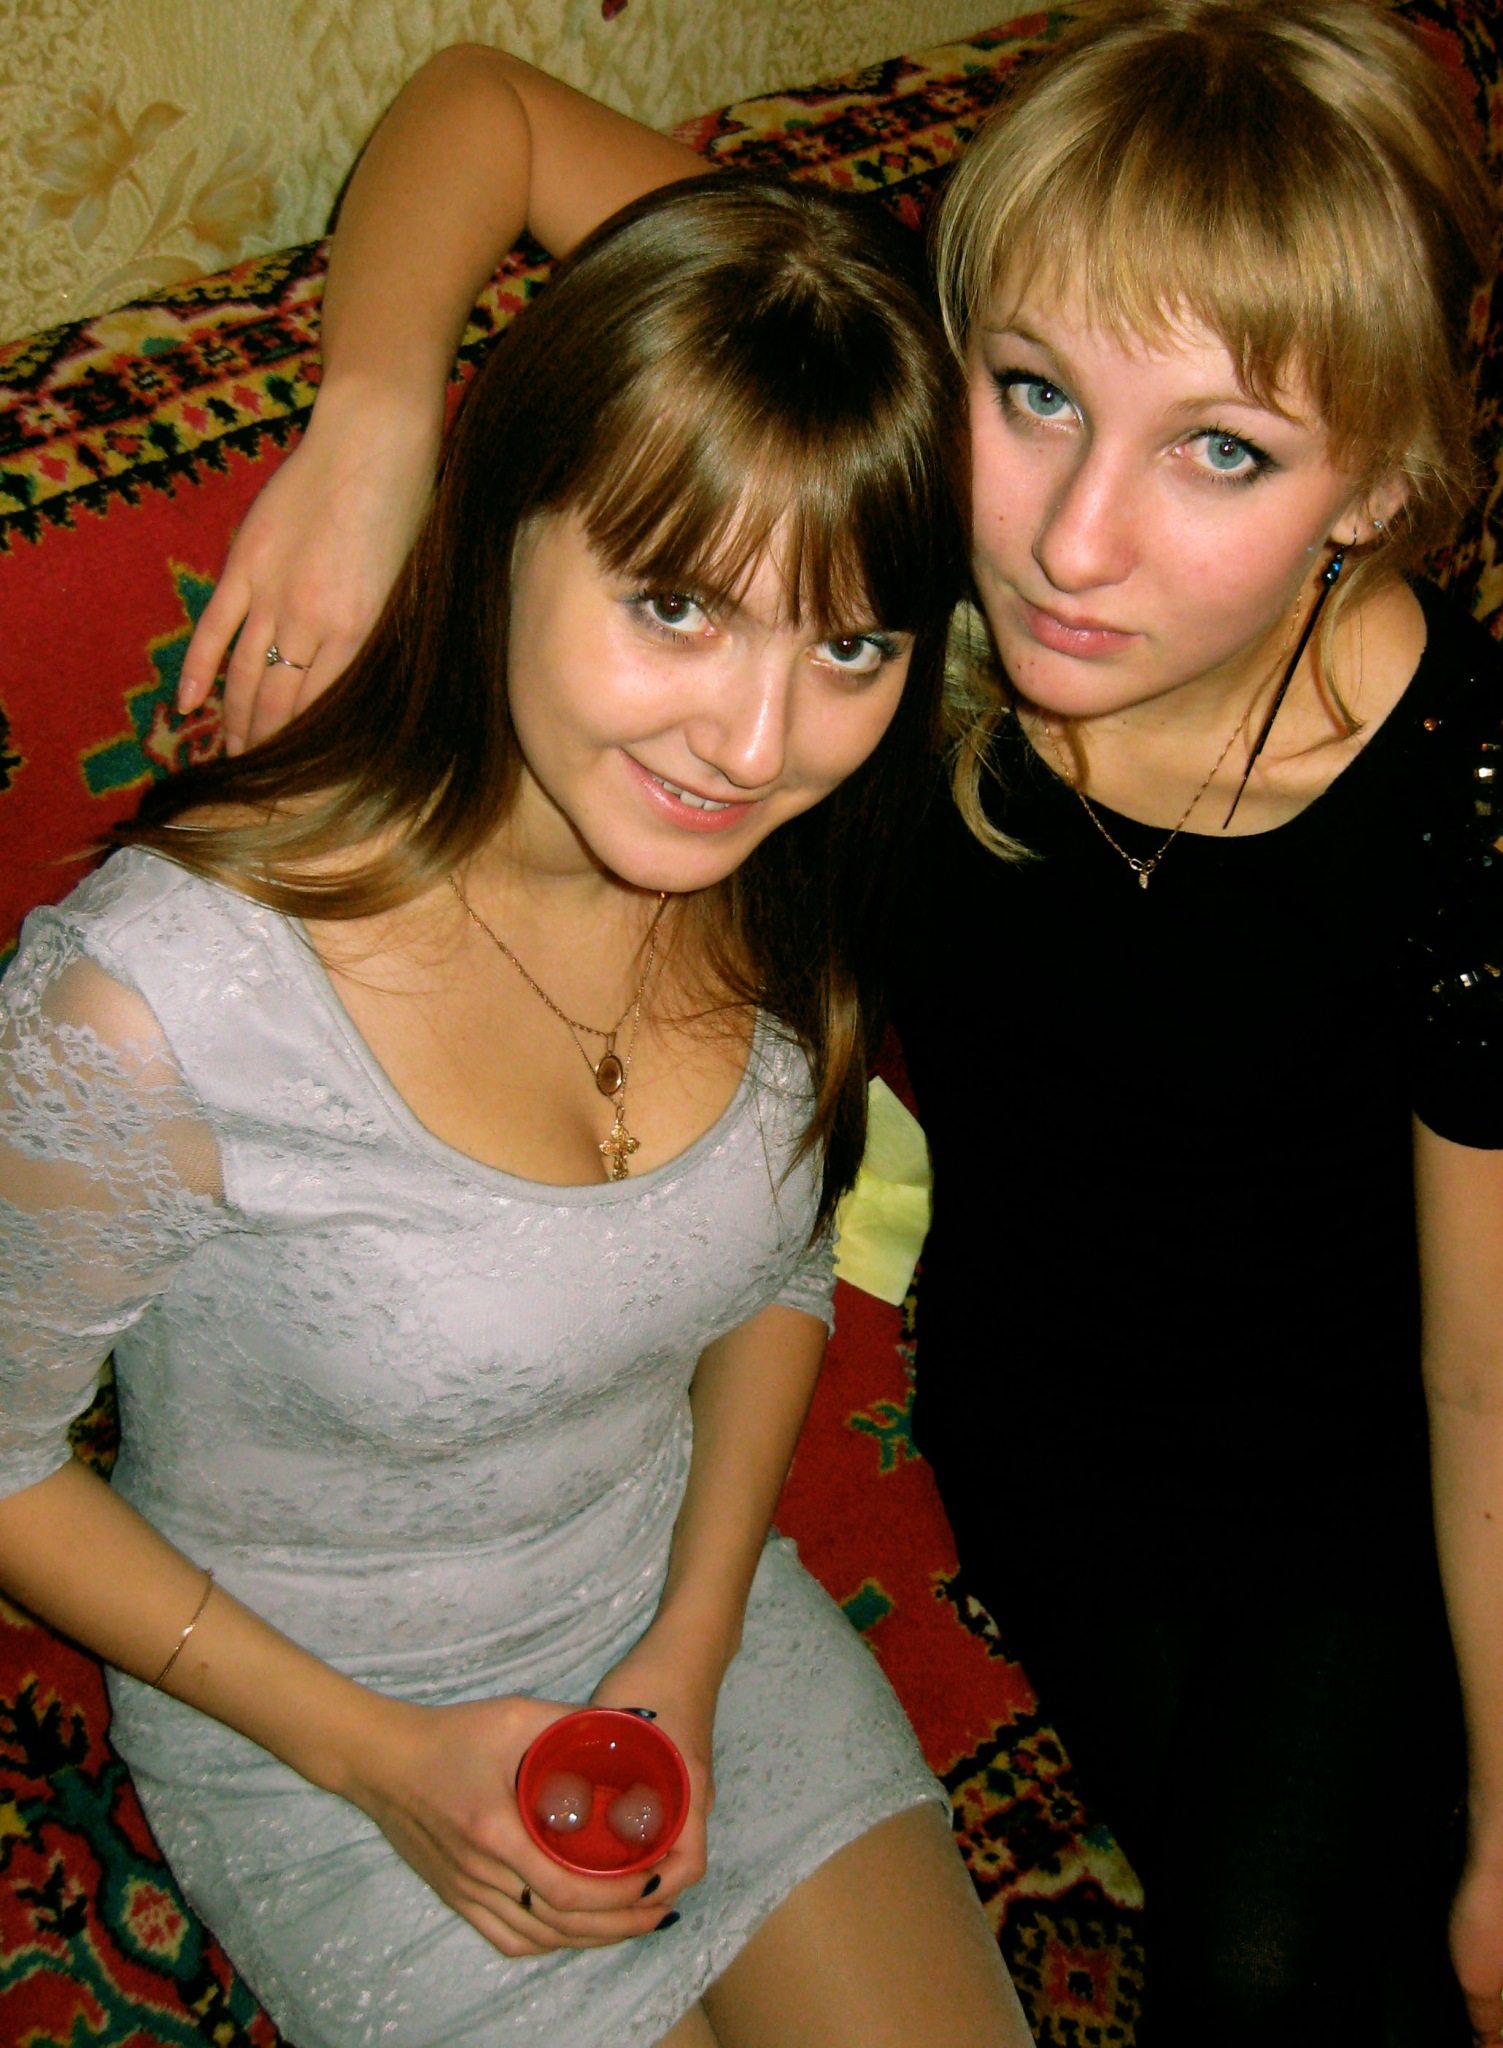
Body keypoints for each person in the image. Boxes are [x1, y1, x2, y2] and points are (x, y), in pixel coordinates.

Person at [168, 3, 1503, 2040]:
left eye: (1221, 449)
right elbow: (481, 109)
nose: (1068, 541)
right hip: (1048, 1407)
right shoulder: (909, 464)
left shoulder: (1461, 804)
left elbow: (1480, 1380)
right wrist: (372, 433)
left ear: (1374, 485)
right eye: (1035, 393)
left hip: (1361, 1455)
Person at [0, 175, 1037, 2048]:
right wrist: (381, 1760)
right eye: (675, 604)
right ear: (496, 535)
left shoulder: (781, 869)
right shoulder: (163, 1003)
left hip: (688, 1621)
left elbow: (777, 1269)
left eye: (850, 647)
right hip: (317, 1733)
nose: (754, 742)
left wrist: (691, 1649)